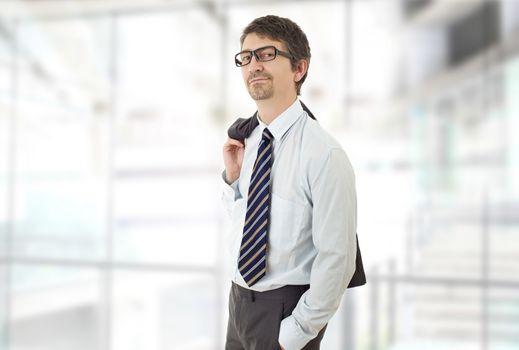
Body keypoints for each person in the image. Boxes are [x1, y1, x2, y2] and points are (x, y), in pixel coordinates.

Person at [221, 15, 365, 350]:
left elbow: (338, 259)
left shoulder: (324, 154)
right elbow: (247, 224)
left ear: (299, 69)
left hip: (284, 313)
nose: (254, 64)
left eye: (267, 54)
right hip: (238, 304)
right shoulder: (248, 140)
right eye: (247, 57)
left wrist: (295, 334)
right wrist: (232, 180)